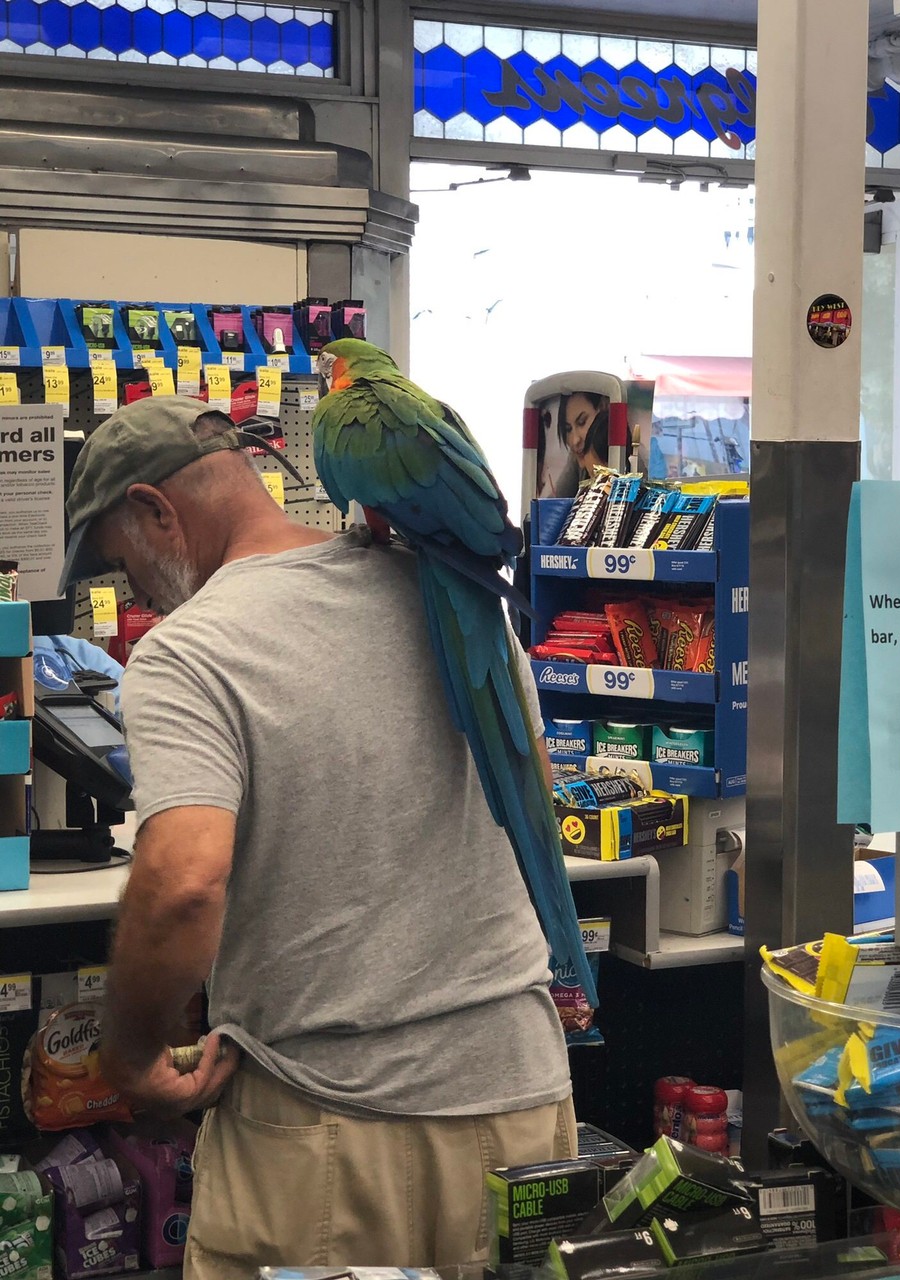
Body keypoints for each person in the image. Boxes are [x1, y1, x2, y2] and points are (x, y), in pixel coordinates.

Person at [56, 397, 574, 1278]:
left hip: (330, 1132)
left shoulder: (192, 651)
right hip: (523, 1108)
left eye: (119, 561)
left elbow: (183, 884)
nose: (131, 591)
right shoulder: (456, 604)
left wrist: (132, 1056)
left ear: (154, 510)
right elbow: (533, 799)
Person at [553, 391, 609, 497]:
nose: (575, 440)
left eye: (582, 422)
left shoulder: (635, 462)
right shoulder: (577, 458)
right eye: (568, 429)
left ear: (603, 407)